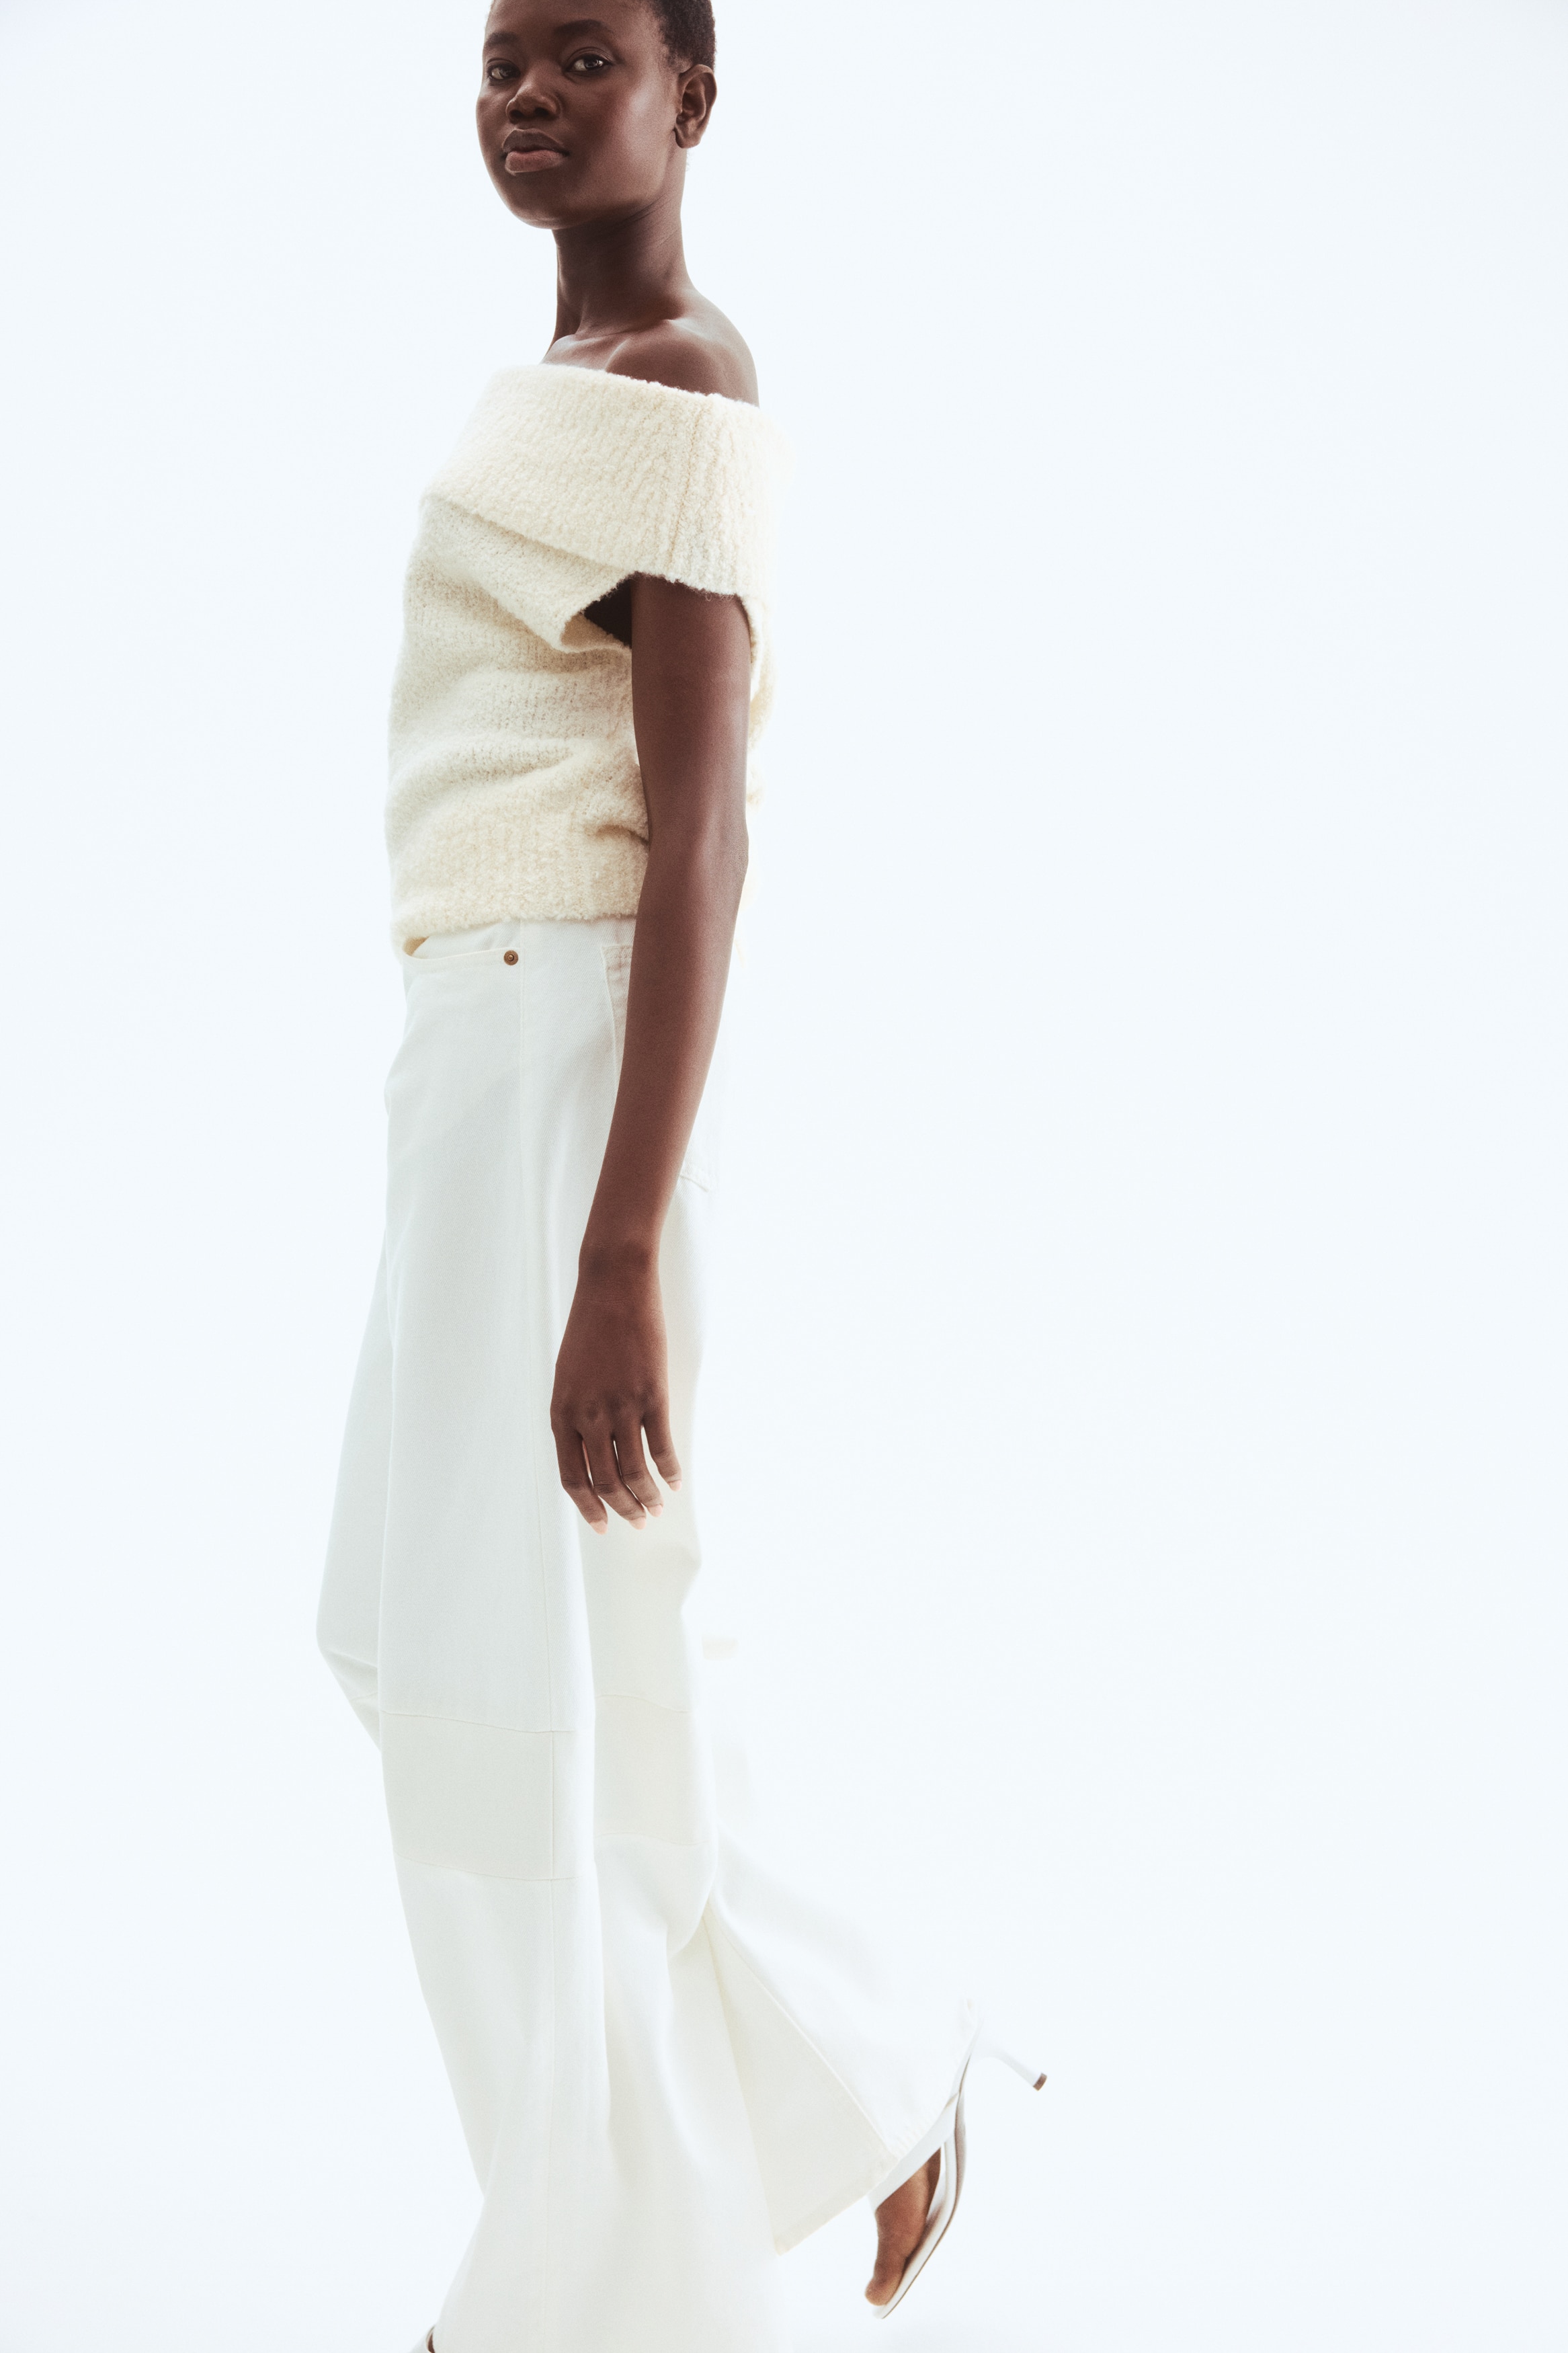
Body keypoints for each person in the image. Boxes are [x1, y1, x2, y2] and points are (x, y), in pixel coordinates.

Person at [317, 4, 1043, 2346]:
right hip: (475, 1052)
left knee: (526, 1694)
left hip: (569, 1064)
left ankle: (575, 2291)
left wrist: (619, 1244)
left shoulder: (682, 381)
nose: (527, 96)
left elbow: (704, 837)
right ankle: (864, 2068)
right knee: (471, 1667)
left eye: (584, 57)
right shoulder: (572, 379)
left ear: (691, 98)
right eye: (499, 61)